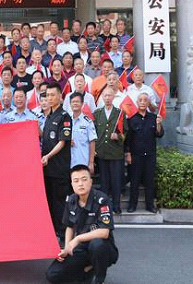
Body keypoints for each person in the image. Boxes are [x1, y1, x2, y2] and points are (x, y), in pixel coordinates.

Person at [45, 165, 118, 284]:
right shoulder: (71, 200)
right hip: (82, 248)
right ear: (72, 184)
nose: (80, 184)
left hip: (104, 248)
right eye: (76, 181)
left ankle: (99, 278)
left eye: (84, 179)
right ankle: (87, 271)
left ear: (91, 181)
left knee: (97, 244)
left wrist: (77, 239)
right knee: (52, 275)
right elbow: (69, 226)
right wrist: (67, 248)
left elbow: (104, 232)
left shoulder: (102, 200)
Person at [41, 82, 72, 240]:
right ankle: (51, 233)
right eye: (48, 95)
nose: (50, 98)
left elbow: (62, 142)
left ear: (60, 96)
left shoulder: (64, 117)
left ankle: (62, 234)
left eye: (53, 95)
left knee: (59, 203)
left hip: (59, 169)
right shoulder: (48, 116)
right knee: (49, 203)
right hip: (47, 169)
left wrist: (48, 156)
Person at [125, 93, 164, 213]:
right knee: (134, 181)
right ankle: (132, 205)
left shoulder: (154, 118)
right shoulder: (131, 119)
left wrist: (159, 123)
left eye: (145, 100)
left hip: (150, 155)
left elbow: (159, 134)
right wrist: (128, 154)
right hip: (136, 155)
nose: (142, 102)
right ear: (137, 102)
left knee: (149, 181)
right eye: (140, 100)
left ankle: (150, 205)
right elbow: (128, 139)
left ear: (148, 103)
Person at [94, 88, 126, 215]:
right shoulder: (97, 113)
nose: (107, 98)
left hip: (115, 153)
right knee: (104, 182)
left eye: (109, 96)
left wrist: (118, 136)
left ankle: (116, 206)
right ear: (102, 97)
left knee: (116, 181)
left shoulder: (119, 113)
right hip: (102, 152)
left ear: (113, 97)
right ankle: (104, 207)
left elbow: (126, 132)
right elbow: (94, 132)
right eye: (105, 96)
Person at [68, 92, 97, 173]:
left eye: (77, 101)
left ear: (82, 104)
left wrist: (91, 162)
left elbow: (92, 142)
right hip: (68, 161)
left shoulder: (88, 121)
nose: (75, 104)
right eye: (73, 102)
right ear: (70, 104)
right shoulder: (66, 120)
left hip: (83, 161)